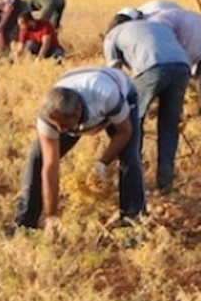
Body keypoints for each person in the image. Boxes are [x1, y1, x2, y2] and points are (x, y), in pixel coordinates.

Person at [14, 66, 145, 230]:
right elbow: (50, 167)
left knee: (129, 156)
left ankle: (132, 222)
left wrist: (102, 163)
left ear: (77, 112)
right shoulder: (49, 118)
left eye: (64, 125)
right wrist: (52, 217)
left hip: (119, 95)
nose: (60, 131)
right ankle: (25, 223)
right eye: (56, 126)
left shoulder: (105, 95)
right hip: (77, 99)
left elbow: (124, 132)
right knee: (37, 158)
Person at [104, 14, 192, 194]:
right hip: (182, 67)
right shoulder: (153, 25)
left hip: (152, 67)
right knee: (169, 126)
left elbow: (115, 77)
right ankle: (165, 182)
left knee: (132, 123)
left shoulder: (113, 36)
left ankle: (131, 180)